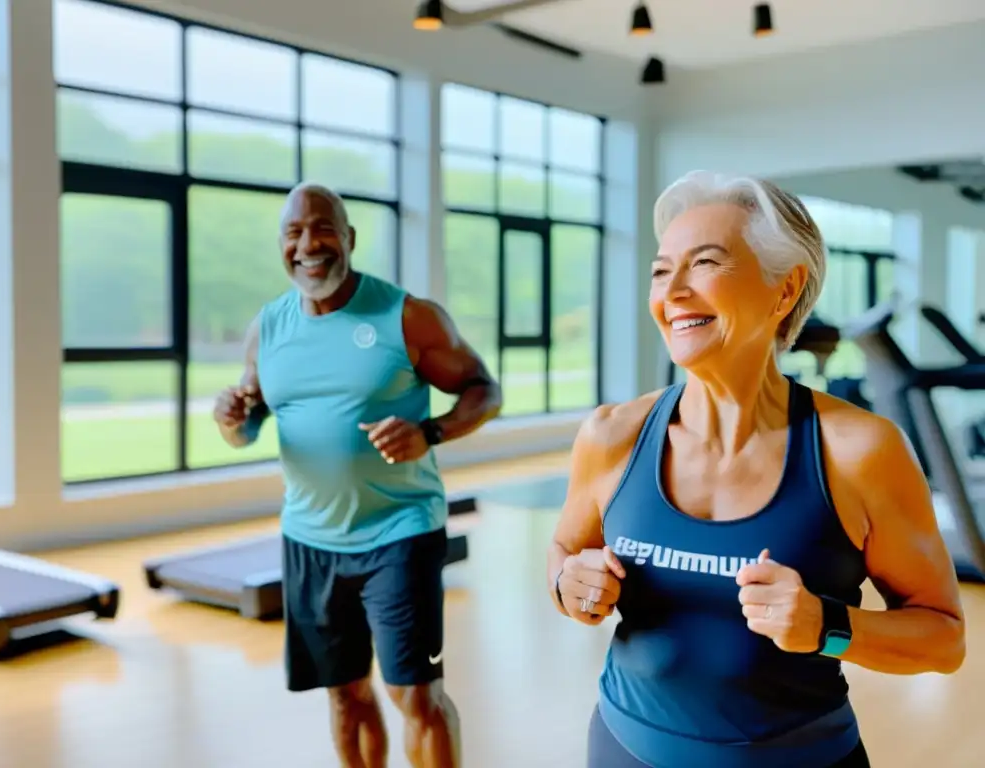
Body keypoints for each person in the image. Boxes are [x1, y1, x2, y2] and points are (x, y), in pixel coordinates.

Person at [548, 171, 966, 768]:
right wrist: (569, 584)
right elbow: (565, 549)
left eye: (705, 264)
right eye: (662, 271)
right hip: (623, 747)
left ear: (785, 290)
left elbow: (943, 639)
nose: (675, 291)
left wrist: (828, 626)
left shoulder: (860, 451)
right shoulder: (612, 435)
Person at [213, 182, 502, 768]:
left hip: (400, 531)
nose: (308, 244)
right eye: (293, 232)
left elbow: (484, 389)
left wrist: (432, 432)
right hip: (311, 541)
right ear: (281, 245)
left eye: (322, 228)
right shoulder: (267, 329)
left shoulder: (407, 317)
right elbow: (248, 428)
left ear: (348, 237)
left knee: (417, 694)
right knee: (344, 693)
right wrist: (232, 421)